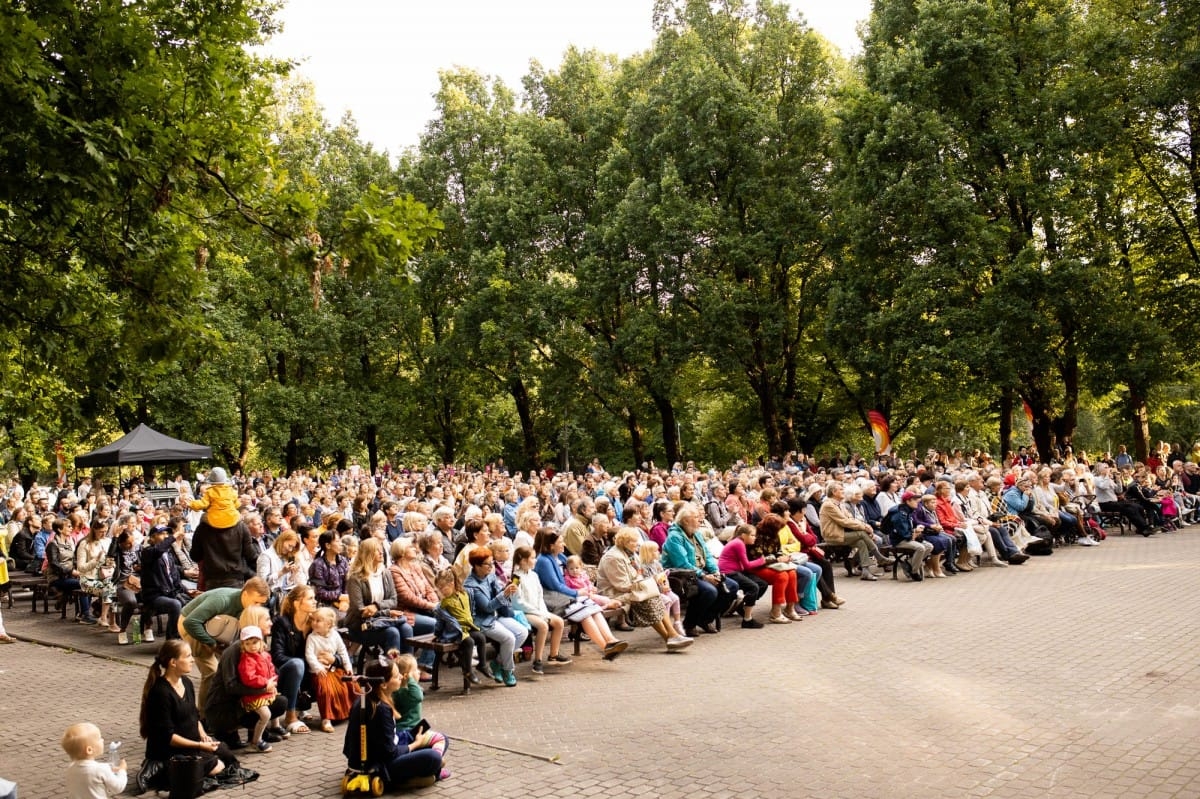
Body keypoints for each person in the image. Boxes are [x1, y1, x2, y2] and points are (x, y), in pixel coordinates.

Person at [139, 640, 256, 793]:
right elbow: (169, 737)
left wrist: (203, 735)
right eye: (187, 656)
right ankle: (158, 768)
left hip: (193, 744)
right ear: (173, 662)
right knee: (216, 766)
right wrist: (200, 746)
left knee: (225, 754)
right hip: (172, 750)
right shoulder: (160, 692)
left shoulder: (186, 682)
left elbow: (194, 716)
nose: (192, 660)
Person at [342, 655, 449, 790]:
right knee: (433, 756)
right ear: (383, 684)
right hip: (381, 765)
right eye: (396, 675)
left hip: (387, 748)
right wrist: (415, 744)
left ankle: (425, 770)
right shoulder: (381, 710)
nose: (400, 677)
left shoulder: (363, 700)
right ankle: (405, 779)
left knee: (441, 737)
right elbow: (389, 753)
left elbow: (349, 747)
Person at [178, 577, 270, 713]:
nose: (257, 607)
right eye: (255, 602)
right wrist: (211, 643)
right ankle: (204, 715)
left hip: (218, 627)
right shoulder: (222, 600)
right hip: (191, 624)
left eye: (261, 604)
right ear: (245, 594)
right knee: (211, 672)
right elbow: (191, 622)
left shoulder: (247, 606)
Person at [202, 607, 289, 751]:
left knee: (280, 702)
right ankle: (230, 731)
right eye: (267, 619)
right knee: (271, 705)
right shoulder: (236, 650)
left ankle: (257, 734)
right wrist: (264, 687)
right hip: (223, 707)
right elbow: (231, 686)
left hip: (242, 699)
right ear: (255, 623)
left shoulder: (258, 647)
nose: (271, 623)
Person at [532, 529, 627, 659]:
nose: (563, 544)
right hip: (553, 600)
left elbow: (577, 570)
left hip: (567, 596)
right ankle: (605, 647)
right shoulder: (544, 561)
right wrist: (577, 592)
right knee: (585, 613)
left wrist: (586, 588)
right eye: (560, 542)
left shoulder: (559, 556)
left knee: (593, 609)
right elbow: (556, 586)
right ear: (551, 545)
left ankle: (611, 640)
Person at [597, 527, 693, 651]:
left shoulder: (631, 554)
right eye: (633, 541)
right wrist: (646, 585)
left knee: (655, 596)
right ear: (624, 542)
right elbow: (622, 585)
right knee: (648, 598)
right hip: (613, 593)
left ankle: (672, 637)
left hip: (633, 588)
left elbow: (639, 574)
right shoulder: (613, 557)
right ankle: (670, 636)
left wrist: (646, 584)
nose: (637, 544)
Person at [661, 504, 738, 636]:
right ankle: (689, 624)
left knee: (731, 586)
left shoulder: (696, 533)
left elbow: (707, 555)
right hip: (682, 575)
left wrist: (715, 571)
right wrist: (703, 576)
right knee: (709, 591)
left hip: (699, 572)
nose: (700, 520)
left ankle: (705, 619)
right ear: (685, 520)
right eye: (696, 517)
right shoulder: (674, 537)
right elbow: (682, 563)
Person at [463, 549, 529, 685]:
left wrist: (507, 588)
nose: (491, 567)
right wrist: (504, 594)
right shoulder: (471, 586)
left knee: (523, 632)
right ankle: (508, 670)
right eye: (487, 564)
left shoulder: (490, 575)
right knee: (509, 638)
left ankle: (498, 662)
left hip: (497, 615)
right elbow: (487, 607)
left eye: (491, 563)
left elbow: (497, 592)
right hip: (482, 621)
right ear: (477, 566)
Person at [509, 545, 573, 672]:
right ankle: (537, 660)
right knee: (543, 626)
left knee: (559, 622)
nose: (535, 560)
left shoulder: (534, 575)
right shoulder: (515, 578)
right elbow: (517, 602)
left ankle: (553, 655)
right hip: (524, 612)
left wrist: (543, 611)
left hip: (538, 610)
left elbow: (539, 596)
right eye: (532, 558)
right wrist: (537, 612)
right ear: (523, 561)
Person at [189, 468, 256, 590]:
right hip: (235, 578)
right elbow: (250, 555)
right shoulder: (241, 526)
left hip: (212, 579)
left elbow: (195, 555)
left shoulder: (203, 527)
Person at [345, 538, 413, 656]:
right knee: (392, 633)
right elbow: (360, 610)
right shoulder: (355, 578)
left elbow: (393, 600)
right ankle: (392, 671)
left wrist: (377, 606)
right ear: (367, 554)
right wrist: (387, 612)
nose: (381, 552)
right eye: (376, 550)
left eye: (381, 549)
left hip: (382, 620)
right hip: (360, 624)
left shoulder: (385, 573)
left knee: (407, 628)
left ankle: (408, 667)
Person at [818, 481, 893, 581]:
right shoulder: (829, 505)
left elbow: (851, 518)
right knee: (862, 533)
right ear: (834, 492)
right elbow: (844, 521)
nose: (843, 491)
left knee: (861, 542)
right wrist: (865, 527)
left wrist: (865, 525)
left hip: (842, 534)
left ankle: (866, 571)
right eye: (840, 489)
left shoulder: (840, 504)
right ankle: (879, 557)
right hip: (833, 536)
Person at [271, 584, 317, 734]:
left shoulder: (315, 623)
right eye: (310, 598)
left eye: (314, 598)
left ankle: (328, 713)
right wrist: (303, 662)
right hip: (284, 672)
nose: (315, 601)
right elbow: (277, 656)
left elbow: (335, 644)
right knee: (298, 664)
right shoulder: (282, 623)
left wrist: (331, 658)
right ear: (297, 603)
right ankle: (290, 716)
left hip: (309, 673)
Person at [434, 569, 492, 684]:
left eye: (442, 588)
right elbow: (440, 620)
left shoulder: (464, 594)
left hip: (466, 628)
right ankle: (468, 671)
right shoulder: (444, 603)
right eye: (438, 588)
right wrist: (437, 633)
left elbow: (470, 611)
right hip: (455, 632)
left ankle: (483, 665)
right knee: (469, 641)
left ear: (452, 584)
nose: (440, 591)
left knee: (481, 637)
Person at [304, 607, 353, 733]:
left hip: (333, 669)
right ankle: (326, 719)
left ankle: (349, 712)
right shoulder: (312, 638)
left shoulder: (335, 635)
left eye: (318, 620)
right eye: (313, 620)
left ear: (329, 624)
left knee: (351, 684)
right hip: (319, 672)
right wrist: (318, 667)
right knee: (326, 690)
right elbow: (309, 655)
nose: (314, 623)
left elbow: (342, 651)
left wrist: (348, 667)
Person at [236, 626, 281, 754]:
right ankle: (255, 741)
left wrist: (273, 681)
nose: (252, 646)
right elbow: (249, 678)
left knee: (276, 705)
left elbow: (271, 669)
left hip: (266, 690)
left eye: (255, 642)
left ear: (261, 641)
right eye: (247, 643)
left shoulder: (265, 655)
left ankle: (275, 726)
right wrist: (266, 682)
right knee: (265, 715)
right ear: (243, 645)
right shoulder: (247, 660)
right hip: (254, 695)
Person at [62, 722, 126, 799]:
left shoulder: (71, 768)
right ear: (89, 750)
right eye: (99, 738)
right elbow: (118, 788)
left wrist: (109, 770)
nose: (103, 740)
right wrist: (122, 771)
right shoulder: (101, 769)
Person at [885, 491, 935, 580]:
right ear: (908, 501)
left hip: (907, 537)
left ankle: (908, 563)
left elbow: (908, 528)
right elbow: (903, 534)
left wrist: (915, 530)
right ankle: (913, 572)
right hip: (898, 540)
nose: (917, 502)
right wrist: (915, 532)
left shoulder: (908, 510)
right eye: (915, 500)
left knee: (929, 546)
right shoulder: (900, 513)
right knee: (920, 548)